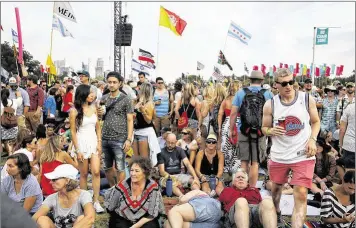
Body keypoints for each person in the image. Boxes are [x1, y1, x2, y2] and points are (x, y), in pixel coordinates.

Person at [261, 68, 320, 227]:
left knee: (301, 194)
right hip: (279, 155)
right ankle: (277, 211)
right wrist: (270, 131)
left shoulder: (307, 99)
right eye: (284, 83)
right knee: (276, 189)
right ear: (275, 85)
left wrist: (312, 140)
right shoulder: (270, 104)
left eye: (292, 82)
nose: (289, 86)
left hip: (303, 154)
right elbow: (264, 128)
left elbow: (315, 122)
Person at [230, 70, 273, 187]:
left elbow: (233, 113)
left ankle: (242, 188)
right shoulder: (268, 94)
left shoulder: (240, 93)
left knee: (244, 162)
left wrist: (231, 129)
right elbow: (274, 113)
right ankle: (252, 189)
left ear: (250, 80)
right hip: (260, 131)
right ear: (262, 81)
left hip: (243, 130)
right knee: (255, 162)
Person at [69, 84, 104, 213]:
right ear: (83, 94)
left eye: (92, 93)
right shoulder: (74, 111)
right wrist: (77, 150)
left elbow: (98, 127)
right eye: (89, 93)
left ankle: (96, 201)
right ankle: (85, 202)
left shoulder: (94, 107)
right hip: (81, 142)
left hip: (93, 141)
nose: (92, 95)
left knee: (96, 171)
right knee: (83, 174)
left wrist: (99, 142)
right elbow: (72, 132)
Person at [104, 156, 165, 228]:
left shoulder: (153, 187)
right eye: (131, 170)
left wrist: (135, 226)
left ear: (144, 173)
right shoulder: (122, 186)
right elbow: (111, 207)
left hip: (144, 219)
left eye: (136, 171)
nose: (133, 174)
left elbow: (152, 214)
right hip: (123, 218)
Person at [101, 71, 134, 186]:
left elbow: (130, 120)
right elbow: (100, 118)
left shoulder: (126, 99)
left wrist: (129, 139)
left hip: (120, 138)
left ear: (120, 83)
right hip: (104, 137)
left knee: (120, 168)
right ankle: (112, 190)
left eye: (114, 82)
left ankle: (121, 193)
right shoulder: (104, 98)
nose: (111, 84)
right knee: (107, 167)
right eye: (109, 82)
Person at [133, 82, 161, 162]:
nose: (138, 90)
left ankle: (146, 174)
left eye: (139, 89)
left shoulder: (150, 104)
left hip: (145, 132)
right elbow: (132, 116)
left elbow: (148, 120)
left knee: (144, 160)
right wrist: (135, 107)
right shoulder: (135, 102)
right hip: (135, 131)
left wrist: (142, 111)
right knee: (136, 159)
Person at [219, 80, 241, 174]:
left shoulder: (226, 100)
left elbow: (220, 114)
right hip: (239, 123)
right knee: (238, 146)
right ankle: (236, 169)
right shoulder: (241, 99)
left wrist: (220, 127)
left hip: (227, 124)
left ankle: (227, 168)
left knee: (226, 148)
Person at [1, 88, 23, 155]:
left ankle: (8, 153)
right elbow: (20, 100)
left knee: (5, 141)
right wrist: (18, 94)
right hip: (13, 124)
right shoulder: (14, 101)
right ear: (9, 95)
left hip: (3, 126)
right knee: (13, 141)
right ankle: (12, 154)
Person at [337, 103, 355, 179]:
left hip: (350, 145)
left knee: (350, 176)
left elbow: (342, 129)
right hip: (350, 145)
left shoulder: (350, 107)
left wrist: (341, 145)